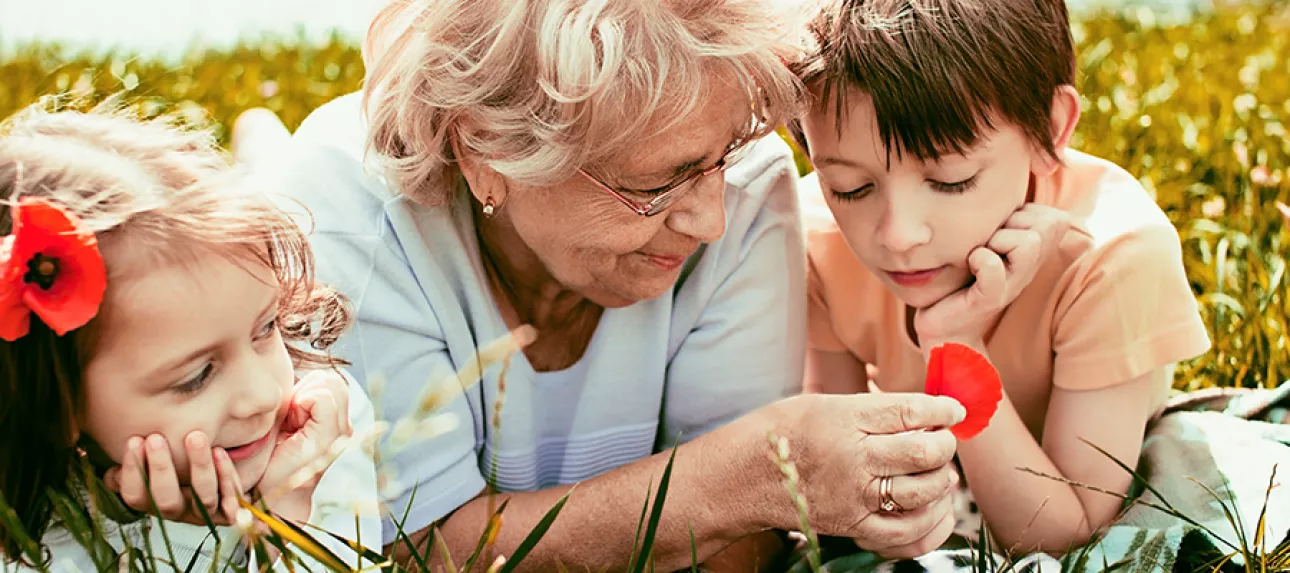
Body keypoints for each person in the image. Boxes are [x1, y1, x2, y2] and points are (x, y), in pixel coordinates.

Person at [262, 0, 966, 569]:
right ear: (484, 152)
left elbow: (734, 552)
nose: (712, 220)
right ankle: (257, 143)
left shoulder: (748, 186)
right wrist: (755, 470)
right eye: (657, 184)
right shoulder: (347, 220)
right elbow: (412, 548)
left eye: (720, 155)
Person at [790, 0, 1212, 555]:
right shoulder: (814, 239)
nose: (898, 235)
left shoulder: (1113, 257)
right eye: (850, 187)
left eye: (951, 179)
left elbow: (1061, 534)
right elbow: (842, 498)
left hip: (1051, 490)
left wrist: (956, 344)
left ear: (1051, 128)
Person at [0, 103, 381, 571]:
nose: (264, 394)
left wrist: (289, 513)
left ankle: (261, 138)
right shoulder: (33, 546)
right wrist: (181, 543)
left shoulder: (318, 432)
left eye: (266, 328)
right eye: (198, 376)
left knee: (269, 167)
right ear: (57, 404)